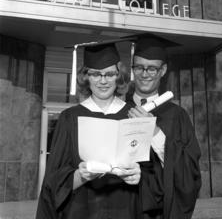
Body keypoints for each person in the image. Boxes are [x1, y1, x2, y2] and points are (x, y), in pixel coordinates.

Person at [35, 40, 156, 219]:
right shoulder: (70, 118)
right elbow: (53, 180)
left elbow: (153, 175)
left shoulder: (133, 115)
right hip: (81, 209)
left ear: (118, 76)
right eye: (96, 74)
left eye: (109, 74)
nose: (103, 81)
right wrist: (80, 175)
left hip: (125, 208)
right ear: (86, 77)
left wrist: (139, 177)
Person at [127, 33, 202, 219]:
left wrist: (155, 134)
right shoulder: (118, 110)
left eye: (152, 68)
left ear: (163, 70)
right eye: (139, 67)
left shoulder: (177, 116)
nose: (145, 74)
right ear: (132, 69)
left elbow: (190, 173)